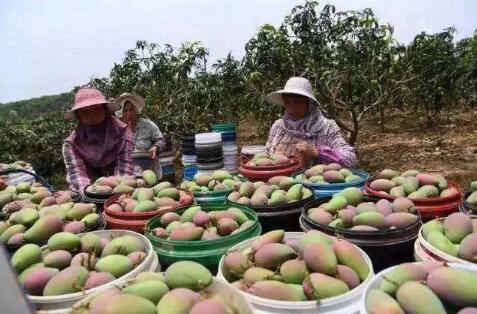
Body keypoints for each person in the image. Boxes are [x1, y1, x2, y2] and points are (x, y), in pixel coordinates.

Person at [265, 77, 356, 168]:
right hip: (279, 181)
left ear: (309, 104)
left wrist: (317, 152)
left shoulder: (326, 127)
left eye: (297, 102)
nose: (291, 108)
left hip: (314, 181)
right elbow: (266, 154)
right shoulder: (278, 127)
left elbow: (350, 159)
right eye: (287, 102)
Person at [62, 86, 135, 194]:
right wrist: (89, 193)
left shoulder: (122, 133)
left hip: (120, 187)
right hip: (89, 191)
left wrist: (115, 193)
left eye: (96, 109)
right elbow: (76, 174)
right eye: (85, 111)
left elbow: (125, 168)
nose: (91, 115)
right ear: (78, 115)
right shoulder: (72, 144)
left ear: (105, 110)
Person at [115, 93, 166, 175]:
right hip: (125, 174)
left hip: (149, 171)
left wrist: (156, 147)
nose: (129, 113)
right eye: (125, 111)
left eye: (131, 109)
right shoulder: (118, 128)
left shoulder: (148, 125)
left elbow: (161, 141)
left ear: (136, 110)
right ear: (121, 112)